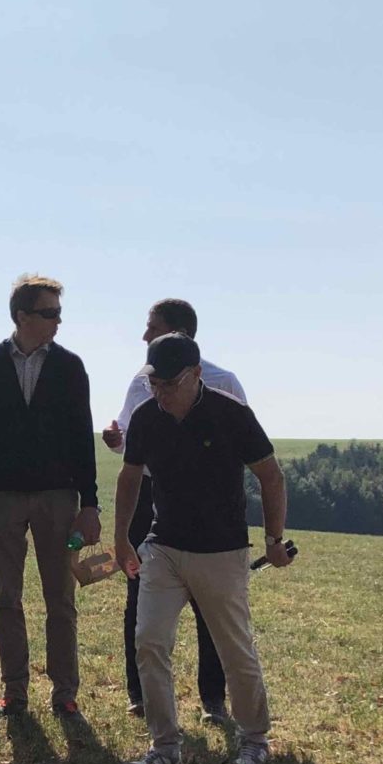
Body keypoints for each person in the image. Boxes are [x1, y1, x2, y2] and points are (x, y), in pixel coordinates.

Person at [113, 334, 287, 764]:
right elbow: (129, 478)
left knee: (234, 648)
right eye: (155, 383)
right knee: (149, 642)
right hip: (163, 547)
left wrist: (273, 539)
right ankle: (165, 747)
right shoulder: (146, 417)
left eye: (170, 384)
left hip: (221, 551)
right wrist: (120, 539)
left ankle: (254, 739)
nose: (160, 393)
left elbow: (271, 475)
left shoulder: (231, 414)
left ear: (194, 376)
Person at [0, 273, 98, 717]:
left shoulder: (71, 367)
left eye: (59, 312)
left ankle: (64, 694)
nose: (58, 321)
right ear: (22, 316)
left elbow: (80, 439)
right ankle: (15, 692)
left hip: (57, 498)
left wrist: (89, 504)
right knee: (6, 599)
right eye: (50, 313)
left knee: (60, 599)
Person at [103, 298, 245, 725]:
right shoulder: (139, 383)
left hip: (211, 503)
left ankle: (213, 700)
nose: (144, 336)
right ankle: (141, 694)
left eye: (152, 328)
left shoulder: (226, 383)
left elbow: (245, 443)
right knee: (140, 598)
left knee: (212, 605)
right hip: (152, 498)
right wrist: (116, 438)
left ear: (180, 334)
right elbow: (132, 442)